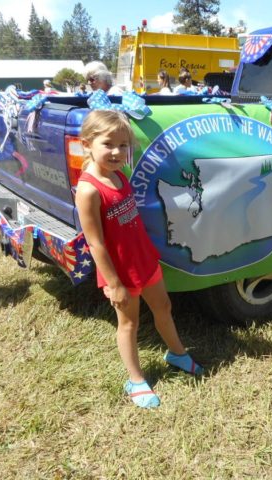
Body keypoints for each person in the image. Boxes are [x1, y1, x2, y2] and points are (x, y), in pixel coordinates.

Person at [75, 110, 203, 409]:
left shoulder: (119, 175)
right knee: (129, 324)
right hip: (120, 270)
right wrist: (114, 284)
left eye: (123, 145)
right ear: (86, 144)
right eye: (108, 144)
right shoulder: (89, 190)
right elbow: (95, 242)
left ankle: (177, 353)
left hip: (144, 258)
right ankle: (135, 379)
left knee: (164, 306)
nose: (117, 152)